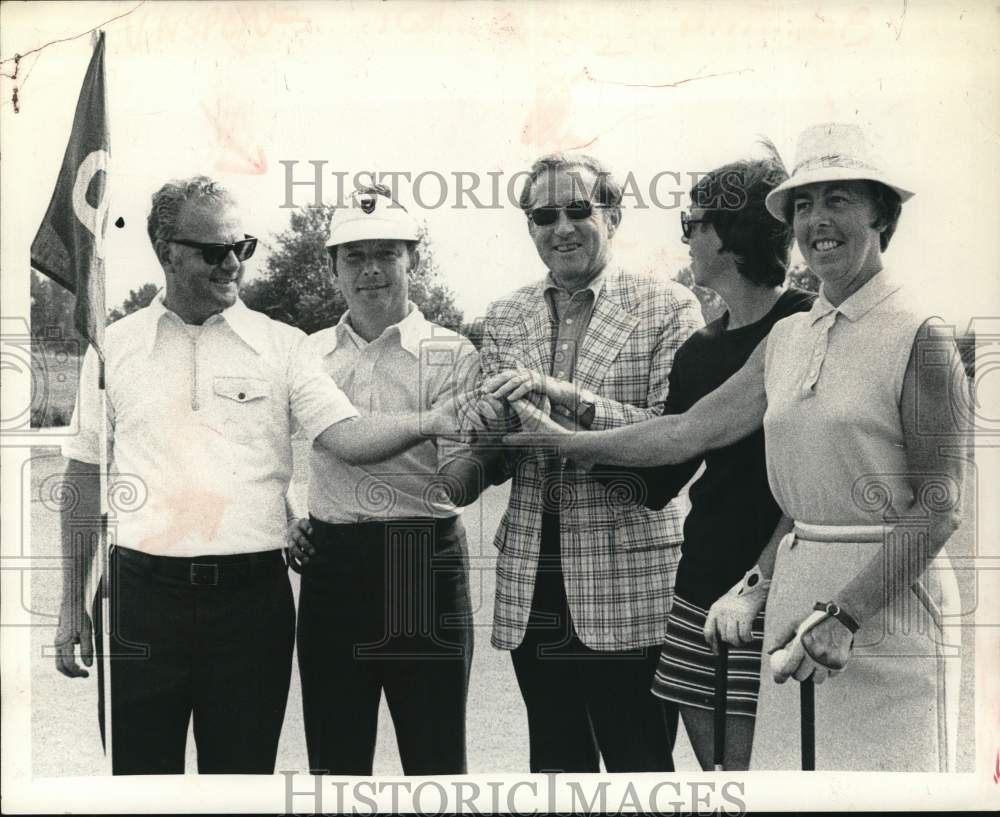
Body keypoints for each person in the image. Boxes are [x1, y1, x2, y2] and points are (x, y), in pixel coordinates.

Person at [506, 124, 968, 772]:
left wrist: (846, 613)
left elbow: (940, 507)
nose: (817, 220)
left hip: (885, 609)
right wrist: (561, 439)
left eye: (839, 200)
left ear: (882, 213)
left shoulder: (922, 335)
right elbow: (684, 431)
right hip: (791, 600)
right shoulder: (787, 340)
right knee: (781, 790)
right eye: (804, 204)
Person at [53, 176, 464, 775]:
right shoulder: (111, 346)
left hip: (250, 609)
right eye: (215, 251)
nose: (232, 265)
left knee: (242, 791)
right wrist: (70, 604)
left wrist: (435, 418)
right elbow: (83, 478)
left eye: (241, 248)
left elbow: (347, 438)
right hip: (140, 600)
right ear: (166, 251)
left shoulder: (284, 346)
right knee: (138, 790)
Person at [458, 152, 704, 773]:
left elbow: (677, 437)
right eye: (544, 215)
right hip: (533, 580)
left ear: (614, 216)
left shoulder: (670, 307)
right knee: (556, 768)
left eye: (578, 210)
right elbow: (503, 454)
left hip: (630, 576)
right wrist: (487, 432)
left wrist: (569, 406)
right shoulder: (506, 314)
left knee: (640, 767)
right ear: (530, 227)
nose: (561, 227)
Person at [588, 145, 814, 770]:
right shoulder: (698, 351)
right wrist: (552, 433)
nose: (686, 240)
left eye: (693, 224)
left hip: (778, 591)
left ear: (732, 234)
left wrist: (564, 432)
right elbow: (659, 477)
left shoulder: (808, 324)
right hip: (698, 588)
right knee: (719, 785)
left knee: (769, 786)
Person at [285, 186, 478, 775]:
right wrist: (289, 515)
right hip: (332, 562)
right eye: (353, 255)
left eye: (386, 253)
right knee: (336, 766)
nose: (370, 270)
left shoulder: (452, 352)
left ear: (412, 258)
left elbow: (462, 466)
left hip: (420, 560)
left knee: (435, 760)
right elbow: (282, 453)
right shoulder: (307, 353)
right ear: (333, 266)